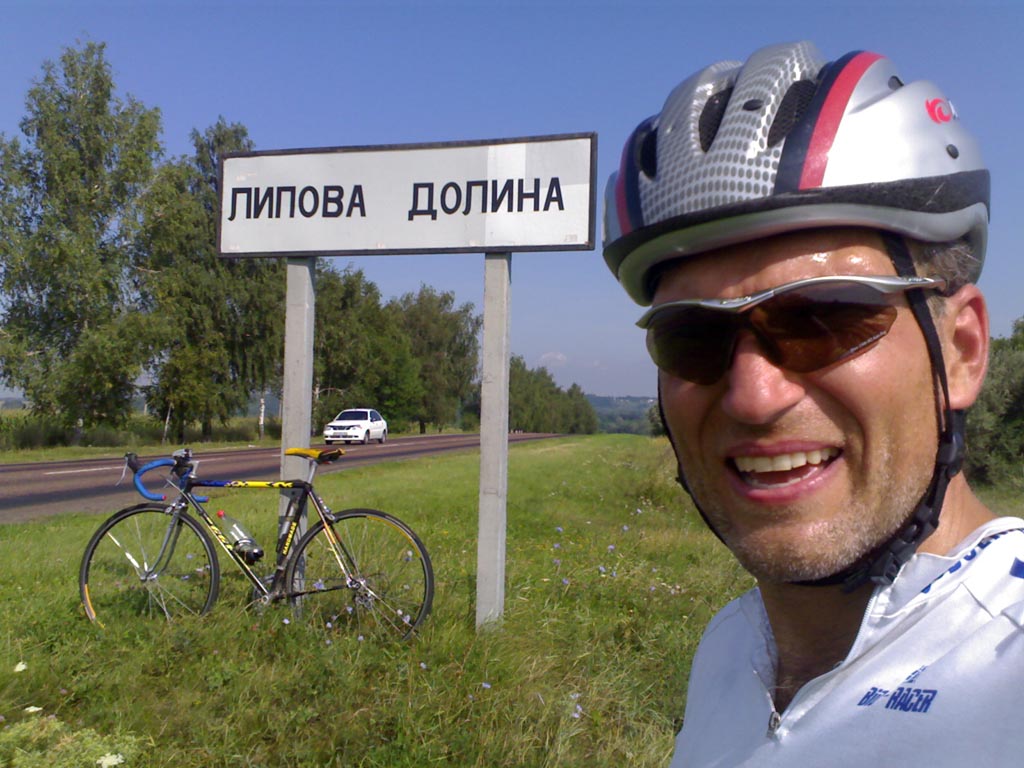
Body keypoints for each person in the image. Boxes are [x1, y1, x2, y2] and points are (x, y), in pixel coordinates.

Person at [603, 41, 1024, 766]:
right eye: (692, 336)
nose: (752, 395)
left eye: (822, 317)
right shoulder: (730, 647)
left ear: (962, 352)